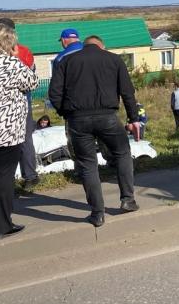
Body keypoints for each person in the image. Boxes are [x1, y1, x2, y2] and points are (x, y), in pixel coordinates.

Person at [48, 34, 140, 227]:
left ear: (85, 45)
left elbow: (54, 93)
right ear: (101, 46)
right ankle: (127, 200)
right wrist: (134, 119)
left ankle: (97, 214)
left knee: (87, 164)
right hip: (107, 117)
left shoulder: (67, 61)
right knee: (122, 153)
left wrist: (65, 113)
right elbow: (127, 92)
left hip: (77, 119)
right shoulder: (114, 59)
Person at [0, 23, 39, 240]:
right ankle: (3, 225)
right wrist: (16, 57)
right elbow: (32, 83)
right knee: (2, 177)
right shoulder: (12, 64)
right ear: (9, 42)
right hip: (5, 130)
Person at [0, 18, 40, 190]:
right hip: (22, 101)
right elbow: (32, 78)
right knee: (25, 138)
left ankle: (4, 181)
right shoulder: (24, 52)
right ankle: (29, 177)